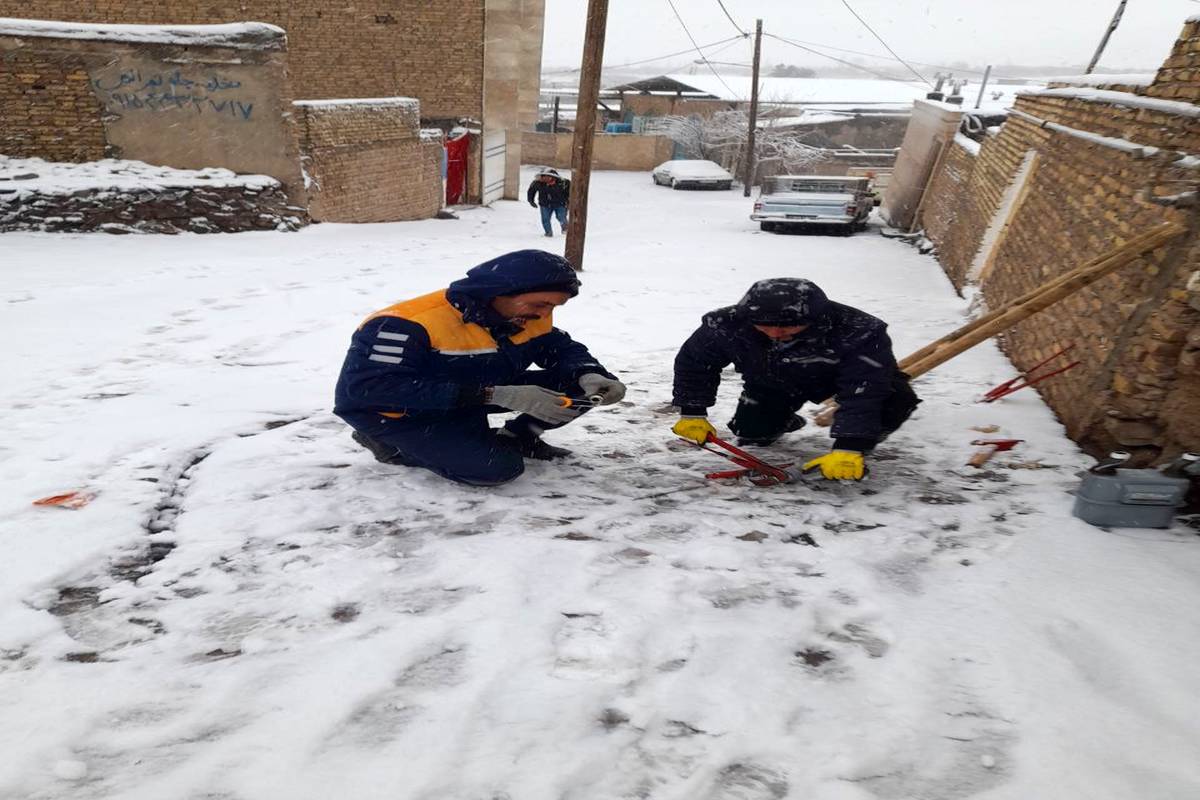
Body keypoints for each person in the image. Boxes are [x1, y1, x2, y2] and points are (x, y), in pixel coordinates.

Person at [334, 250, 625, 486]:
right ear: (501, 291)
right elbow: (369, 390)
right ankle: (387, 443)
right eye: (541, 303)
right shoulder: (404, 324)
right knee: (496, 469)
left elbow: (559, 349)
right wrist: (494, 395)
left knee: (585, 388)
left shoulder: (526, 315)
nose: (545, 313)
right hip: (401, 413)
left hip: (476, 390)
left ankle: (518, 438)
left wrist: (589, 372)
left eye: (554, 307)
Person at [670, 278, 919, 481]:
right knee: (752, 435)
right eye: (766, 326)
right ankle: (784, 420)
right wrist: (693, 412)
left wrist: (851, 445)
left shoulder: (859, 331)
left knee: (895, 398)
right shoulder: (725, 325)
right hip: (772, 382)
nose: (776, 333)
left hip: (833, 380)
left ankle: (862, 445)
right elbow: (695, 362)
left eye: (788, 326)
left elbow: (865, 389)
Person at [527, 169, 570, 238]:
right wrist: (531, 201)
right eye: (542, 176)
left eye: (545, 176)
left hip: (560, 204)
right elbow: (531, 191)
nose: (542, 178)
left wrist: (569, 202)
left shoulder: (564, 183)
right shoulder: (537, 183)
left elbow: (570, 193)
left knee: (561, 217)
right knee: (545, 219)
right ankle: (548, 232)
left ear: (552, 177)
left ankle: (565, 228)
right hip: (545, 204)